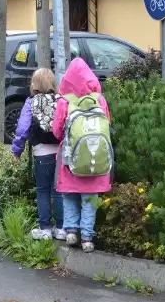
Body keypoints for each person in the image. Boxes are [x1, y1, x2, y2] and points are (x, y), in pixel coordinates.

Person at [52, 58, 112, 252]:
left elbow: (57, 131)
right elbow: (107, 125)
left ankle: (71, 232)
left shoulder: (64, 101)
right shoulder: (99, 100)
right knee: (90, 199)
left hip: (71, 159)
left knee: (69, 195)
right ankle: (87, 238)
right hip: (96, 160)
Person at [11, 68, 65, 241]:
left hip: (41, 152)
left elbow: (22, 129)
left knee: (43, 190)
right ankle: (61, 228)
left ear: (35, 84)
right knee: (58, 190)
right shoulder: (61, 101)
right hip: (60, 152)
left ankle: (45, 229)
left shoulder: (31, 102)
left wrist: (17, 150)